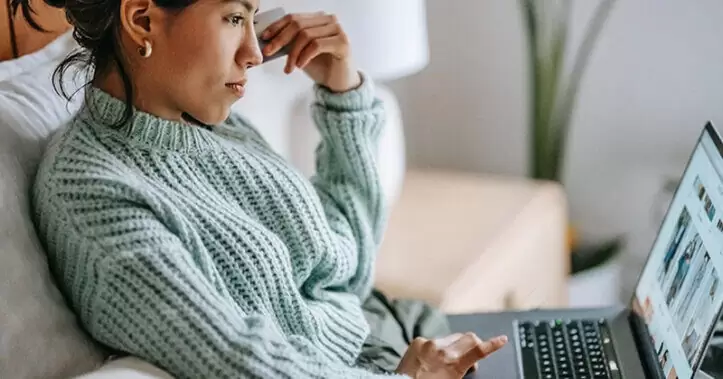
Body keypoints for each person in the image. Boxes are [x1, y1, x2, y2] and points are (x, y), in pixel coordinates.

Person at [14, 0, 508, 378]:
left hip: (391, 329)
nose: (253, 53)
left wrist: (344, 95)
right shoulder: (89, 193)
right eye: (233, 18)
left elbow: (345, 268)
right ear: (142, 19)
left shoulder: (210, 126)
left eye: (253, 16)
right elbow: (235, 357)